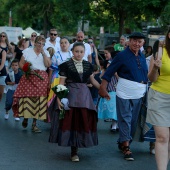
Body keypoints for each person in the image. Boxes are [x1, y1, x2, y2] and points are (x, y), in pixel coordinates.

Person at [99, 32, 148, 161]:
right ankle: (126, 147)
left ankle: (124, 141)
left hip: (138, 93)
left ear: (143, 43)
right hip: (124, 92)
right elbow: (109, 71)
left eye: (140, 41)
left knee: (133, 121)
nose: (137, 44)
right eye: (134, 41)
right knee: (125, 118)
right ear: (129, 41)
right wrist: (103, 87)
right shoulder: (121, 56)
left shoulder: (142, 57)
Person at [49, 42, 100, 162]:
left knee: (82, 122)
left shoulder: (88, 65)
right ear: (72, 52)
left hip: (84, 97)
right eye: (76, 51)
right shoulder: (65, 65)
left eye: (81, 52)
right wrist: (58, 98)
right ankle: (74, 150)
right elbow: (61, 84)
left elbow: (93, 81)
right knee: (71, 122)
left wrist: (104, 90)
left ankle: (78, 144)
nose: (79, 54)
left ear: (84, 52)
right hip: (71, 96)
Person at [12, 36, 51, 133]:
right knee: (27, 99)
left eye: (43, 44)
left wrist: (43, 53)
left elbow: (48, 65)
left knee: (39, 101)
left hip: (41, 79)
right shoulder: (27, 51)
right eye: (39, 43)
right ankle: (25, 118)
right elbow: (21, 63)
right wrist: (26, 69)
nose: (40, 45)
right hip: (29, 77)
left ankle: (34, 124)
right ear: (35, 43)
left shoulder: (46, 52)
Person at [146, 29, 170, 170]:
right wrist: (155, 68)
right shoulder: (160, 50)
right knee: (162, 137)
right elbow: (152, 78)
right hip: (159, 97)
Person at [47, 37, 72, 110]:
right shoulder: (56, 54)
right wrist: (49, 81)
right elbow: (51, 69)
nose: (63, 44)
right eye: (61, 43)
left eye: (65, 42)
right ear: (59, 44)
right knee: (55, 94)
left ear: (69, 44)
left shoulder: (72, 54)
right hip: (57, 77)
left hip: (69, 77)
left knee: (66, 94)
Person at [98, 47, 118, 132]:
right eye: (104, 53)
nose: (105, 55)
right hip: (110, 86)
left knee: (115, 107)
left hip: (115, 86)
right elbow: (101, 76)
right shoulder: (108, 63)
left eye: (107, 53)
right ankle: (114, 124)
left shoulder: (115, 62)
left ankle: (115, 124)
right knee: (113, 106)